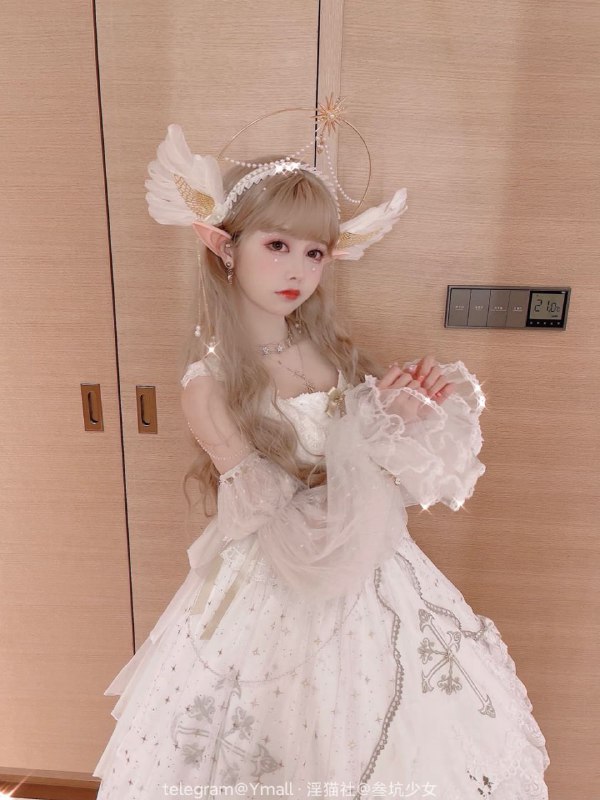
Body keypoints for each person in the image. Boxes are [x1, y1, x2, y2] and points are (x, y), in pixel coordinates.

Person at [93, 110, 550, 799]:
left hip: (376, 568)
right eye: (277, 245)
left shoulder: (327, 351)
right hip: (279, 581)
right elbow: (290, 530)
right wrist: (369, 432)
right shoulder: (208, 385)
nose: (298, 270)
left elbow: (375, 481)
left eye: (314, 253)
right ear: (224, 246)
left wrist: (397, 418)